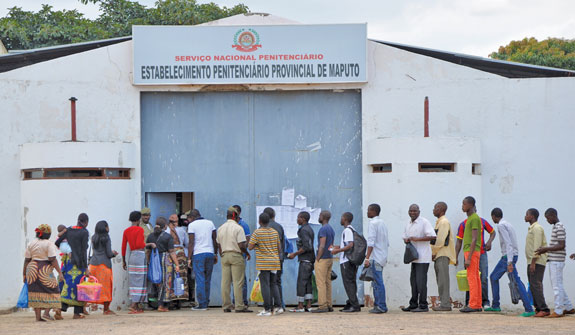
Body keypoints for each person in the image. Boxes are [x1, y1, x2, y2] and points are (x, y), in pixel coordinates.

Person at [484, 208, 534, 317]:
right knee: (495, 277)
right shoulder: (508, 224)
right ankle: (496, 305)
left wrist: (510, 262)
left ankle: (528, 308)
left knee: (515, 280)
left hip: (507, 257)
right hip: (510, 256)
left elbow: (508, 243)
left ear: (494, 216)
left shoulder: (501, 226)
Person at [535, 208, 574, 317]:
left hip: (556, 261)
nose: (547, 220)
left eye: (548, 218)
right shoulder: (556, 226)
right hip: (555, 260)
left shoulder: (559, 227)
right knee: (559, 285)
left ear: (553, 215)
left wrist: (546, 249)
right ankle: (569, 307)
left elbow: (561, 245)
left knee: (556, 286)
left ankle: (558, 310)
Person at [23, 224, 63, 322]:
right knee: (54, 290)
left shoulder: (31, 243)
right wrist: (60, 272)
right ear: (48, 234)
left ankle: (38, 317)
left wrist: (24, 274)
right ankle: (46, 313)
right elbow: (52, 259)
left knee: (35, 292)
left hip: (31, 269)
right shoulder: (49, 244)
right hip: (44, 269)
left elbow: (27, 260)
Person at [455, 213, 496, 308]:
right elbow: (459, 241)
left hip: (481, 252)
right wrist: (456, 256)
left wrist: (489, 242)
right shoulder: (463, 224)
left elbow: (493, 232)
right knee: (470, 277)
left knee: (483, 277)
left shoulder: (482, 221)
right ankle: (469, 301)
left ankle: (484, 302)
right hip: (470, 253)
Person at [401, 204, 436, 313]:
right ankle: (413, 304)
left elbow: (433, 236)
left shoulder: (424, 222)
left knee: (421, 282)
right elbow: (404, 236)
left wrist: (417, 239)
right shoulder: (408, 223)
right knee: (413, 282)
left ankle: (423, 305)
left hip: (423, 257)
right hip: (414, 257)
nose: (412, 213)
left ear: (419, 212)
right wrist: (407, 240)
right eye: (411, 211)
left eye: (415, 211)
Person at [216, 207, 252, 313]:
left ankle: (226, 305)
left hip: (224, 255)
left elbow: (218, 244)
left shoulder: (220, 228)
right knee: (238, 282)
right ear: (235, 216)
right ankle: (239, 306)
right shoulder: (238, 228)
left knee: (225, 282)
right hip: (236, 255)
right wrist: (247, 253)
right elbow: (241, 244)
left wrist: (221, 254)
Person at [55, 213, 90, 319]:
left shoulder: (69, 229)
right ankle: (76, 313)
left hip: (69, 263)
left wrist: (68, 251)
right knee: (79, 287)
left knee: (68, 286)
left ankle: (60, 309)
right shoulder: (84, 232)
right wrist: (86, 268)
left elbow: (57, 242)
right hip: (79, 264)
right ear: (86, 222)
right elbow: (84, 250)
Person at [248, 213, 282, 316]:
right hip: (275, 261)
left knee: (265, 285)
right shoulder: (274, 232)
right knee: (274, 284)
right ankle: (278, 307)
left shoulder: (257, 233)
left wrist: (258, 244)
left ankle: (267, 309)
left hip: (264, 262)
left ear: (259, 221)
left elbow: (250, 247)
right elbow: (279, 248)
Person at [122, 211, 155, 314]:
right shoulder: (140, 230)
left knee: (133, 281)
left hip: (132, 256)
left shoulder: (126, 231)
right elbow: (140, 244)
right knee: (141, 281)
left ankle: (136, 305)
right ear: (138, 219)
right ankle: (134, 305)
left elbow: (123, 247)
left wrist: (124, 261)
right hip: (140, 255)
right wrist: (150, 244)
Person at [146, 217, 180, 312]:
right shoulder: (168, 237)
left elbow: (148, 252)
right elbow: (172, 252)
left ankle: (160, 304)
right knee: (166, 282)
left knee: (157, 282)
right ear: (165, 226)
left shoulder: (150, 236)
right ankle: (162, 305)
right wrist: (177, 264)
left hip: (154, 260)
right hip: (165, 261)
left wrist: (149, 263)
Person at [187, 209, 217, 311]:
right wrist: (215, 253)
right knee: (207, 279)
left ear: (192, 217)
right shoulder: (210, 223)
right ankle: (206, 302)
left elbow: (191, 242)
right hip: (209, 253)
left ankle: (202, 304)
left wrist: (189, 258)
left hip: (198, 254)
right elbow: (214, 239)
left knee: (200, 279)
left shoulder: (192, 225)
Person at [331, 212, 361, 312]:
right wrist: (337, 247)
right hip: (350, 260)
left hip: (346, 261)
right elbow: (347, 244)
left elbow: (350, 245)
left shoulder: (347, 230)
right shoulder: (352, 229)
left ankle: (354, 305)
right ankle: (350, 303)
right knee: (351, 282)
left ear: (345, 219)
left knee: (349, 283)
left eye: (341, 217)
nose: (341, 219)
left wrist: (337, 251)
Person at [524, 208, 550, 317]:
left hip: (537, 261)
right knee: (533, 285)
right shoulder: (532, 229)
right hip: (531, 261)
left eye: (527, 214)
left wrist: (533, 262)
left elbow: (537, 246)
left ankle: (544, 309)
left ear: (532, 216)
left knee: (536, 284)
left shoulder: (537, 228)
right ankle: (538, 308)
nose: (525, 216)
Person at [458, 196, 482, 313]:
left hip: (471, 251)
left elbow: (474, 238)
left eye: (464, 204)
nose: (462, 206)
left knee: (472, 278)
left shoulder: (474, 219)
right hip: (472, 251)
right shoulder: (471, 219)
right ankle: (477, 304)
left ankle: (473, 304)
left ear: (471, 205)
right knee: (475, 278)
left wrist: (469, 257)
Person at [288, 211, 315, 312]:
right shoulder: (309, 229)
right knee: (308, 282)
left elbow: (307, 246)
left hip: (305, 260)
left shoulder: (303, 230)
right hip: (310, 259)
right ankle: (308, 305)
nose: (297, 219)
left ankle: (300, 306)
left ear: (303, 219)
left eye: (298, 217)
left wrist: (295, 254)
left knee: (301, 282)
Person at [88, 220, 118, 315]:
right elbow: (109, 253)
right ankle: (106, 309)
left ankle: (84, 307)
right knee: (106, 287)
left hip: (93, 265)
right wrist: (114, 254)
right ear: (105, 228)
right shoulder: (106, 238)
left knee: (92, 287)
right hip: (104, 265)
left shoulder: (93, 237)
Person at [364, 204, 389, 314]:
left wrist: (367, 258)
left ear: (373, 211)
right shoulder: (383, 223)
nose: (367, 212)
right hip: (382, 256)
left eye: (368, 210)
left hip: (375, 257)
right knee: (377, 282)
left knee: (377, 282)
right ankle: (379, 305)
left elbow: (371, 242)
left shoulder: (373, 223)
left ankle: (380, 306)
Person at [431, 202, 455, 312]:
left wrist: (434, 251)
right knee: (440, 280)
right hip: (439, 254)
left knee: (443, 281)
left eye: (435, 208)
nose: (433, 209)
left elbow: (440, 239)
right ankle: (444, 303)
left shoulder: (444, 222)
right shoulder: (439, 222)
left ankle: (445, 304)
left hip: (442, 254)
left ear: (441, 209)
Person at [311, 210, 335, 313]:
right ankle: (329, 304)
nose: (318, 217)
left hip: (323, 259)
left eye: (319, 216)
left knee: (320, 283)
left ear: (322, 217)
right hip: (329, 258)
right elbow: (331, 245)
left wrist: (317, 258)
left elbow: (322, 245)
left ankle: (322, 306)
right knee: (327, 282)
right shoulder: (331, 229)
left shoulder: (323, 230)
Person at [264, 207, 286, 311]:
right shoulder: (279, 227)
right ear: (274, 215)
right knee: (277, 282)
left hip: (266, 260)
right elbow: (282, 245)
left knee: (267, 283)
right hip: (278, 258)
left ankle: (269, 306)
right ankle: (280, 305)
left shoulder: (263, 228)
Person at [168, 214, 189, 307]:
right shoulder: (182, 230)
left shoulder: (166, 230)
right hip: (180, 253)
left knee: (171, 276)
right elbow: (187, 243)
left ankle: (172, 299)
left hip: (170, 254)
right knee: (181, 275)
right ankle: (180, 299)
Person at [233, 205, 250, 308]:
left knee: (241, 279)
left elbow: (247, 240)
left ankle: (243, 301)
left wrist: (243, 251)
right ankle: (235, 301)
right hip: (232, 254)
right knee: (233, 279)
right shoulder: (230, 225)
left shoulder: (243, 225)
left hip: (240, 255)